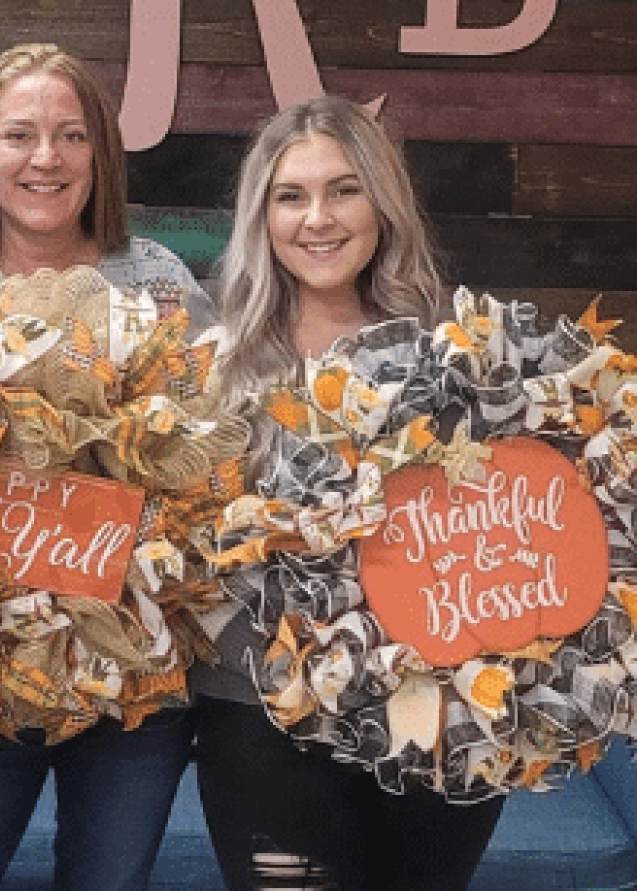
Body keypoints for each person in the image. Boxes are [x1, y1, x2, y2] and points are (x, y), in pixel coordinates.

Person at [0, 43, 201, 891]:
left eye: (71, 136)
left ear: (101, 152)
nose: (46, 158)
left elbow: (211, 457)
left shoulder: (160, 282)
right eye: (19, 134)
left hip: (137, 679)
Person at [188, 96, 505, 890]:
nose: (317, 219)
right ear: (262, 217)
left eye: (344, 190)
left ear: (383, 205)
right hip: (263, 722)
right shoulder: (212, 367)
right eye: (291, 196)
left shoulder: (463, 357)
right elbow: (184, 550)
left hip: (438, 720)